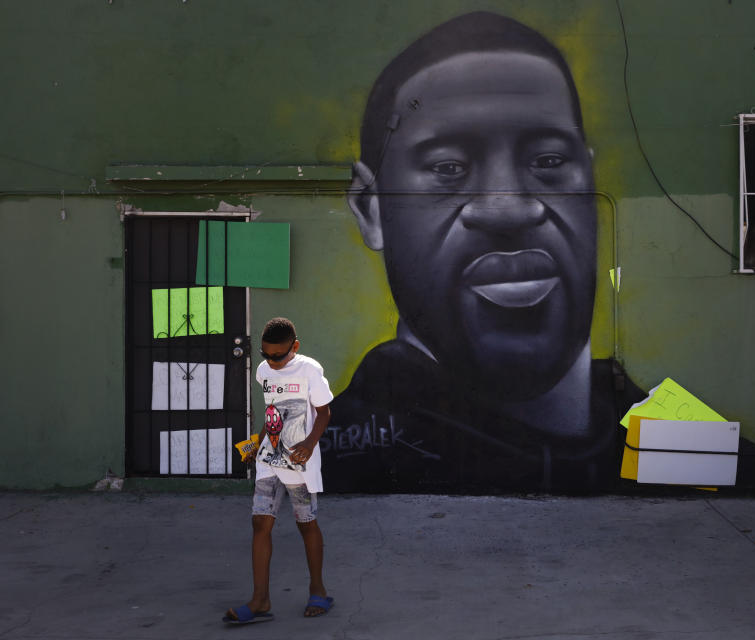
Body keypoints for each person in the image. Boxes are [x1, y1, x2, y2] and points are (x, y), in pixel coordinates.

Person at [325, 11, 647, 494]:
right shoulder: (340, 459)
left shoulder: (691, 452)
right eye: (449, 167)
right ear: (371, 210)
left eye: (550, 161)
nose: (506, 208)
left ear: (590, 184)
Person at [223, 317, 335, 624]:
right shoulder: (263, 372)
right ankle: (260, 600)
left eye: (278, 356)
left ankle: (318, 591)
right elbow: (272, 410)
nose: (271, 362)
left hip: (300, 462)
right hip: (269, 459)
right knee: (260, 524)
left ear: (294, 347)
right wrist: (257, 443)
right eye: (266, 355)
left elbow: (324, 412)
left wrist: (311, 444)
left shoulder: (310, 370)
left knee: (306, 524)